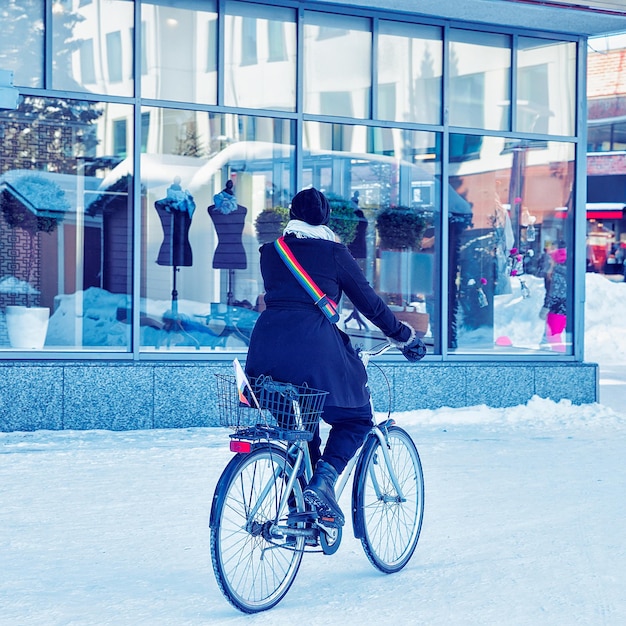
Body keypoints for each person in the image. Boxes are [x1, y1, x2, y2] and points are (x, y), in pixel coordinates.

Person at [245, 187, 425, 527]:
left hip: (266, 350)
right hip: (314, 349)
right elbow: (369, 303)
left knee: (300, 431)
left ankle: (303, 513)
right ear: (327, 218)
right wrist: (403, 335)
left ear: (292, 216)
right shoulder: (333, 251)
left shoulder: (271, 252)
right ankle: (324, 481)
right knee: (356, 418)